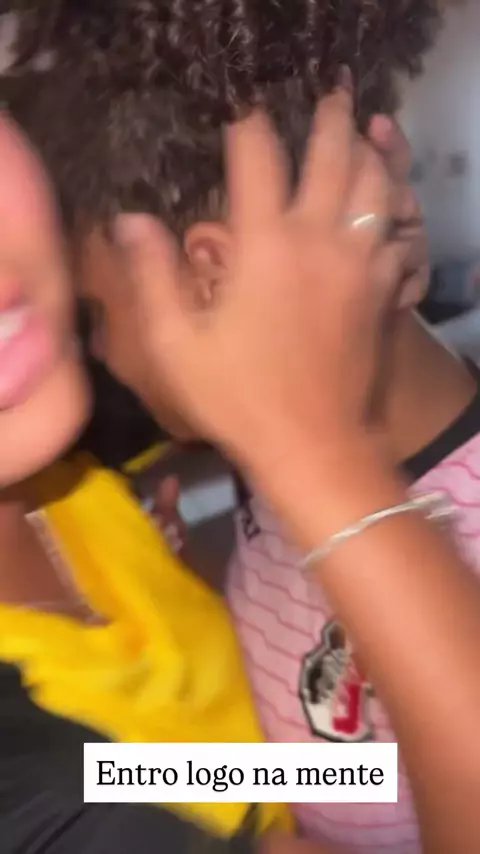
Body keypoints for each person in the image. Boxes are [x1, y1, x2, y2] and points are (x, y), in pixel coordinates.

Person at [4, 2, 480, 853]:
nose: (100, 355)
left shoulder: (310, 473)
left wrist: (316, 472)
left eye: (97, 317)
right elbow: (351, 773)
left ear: (213, 279)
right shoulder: (277, 468)